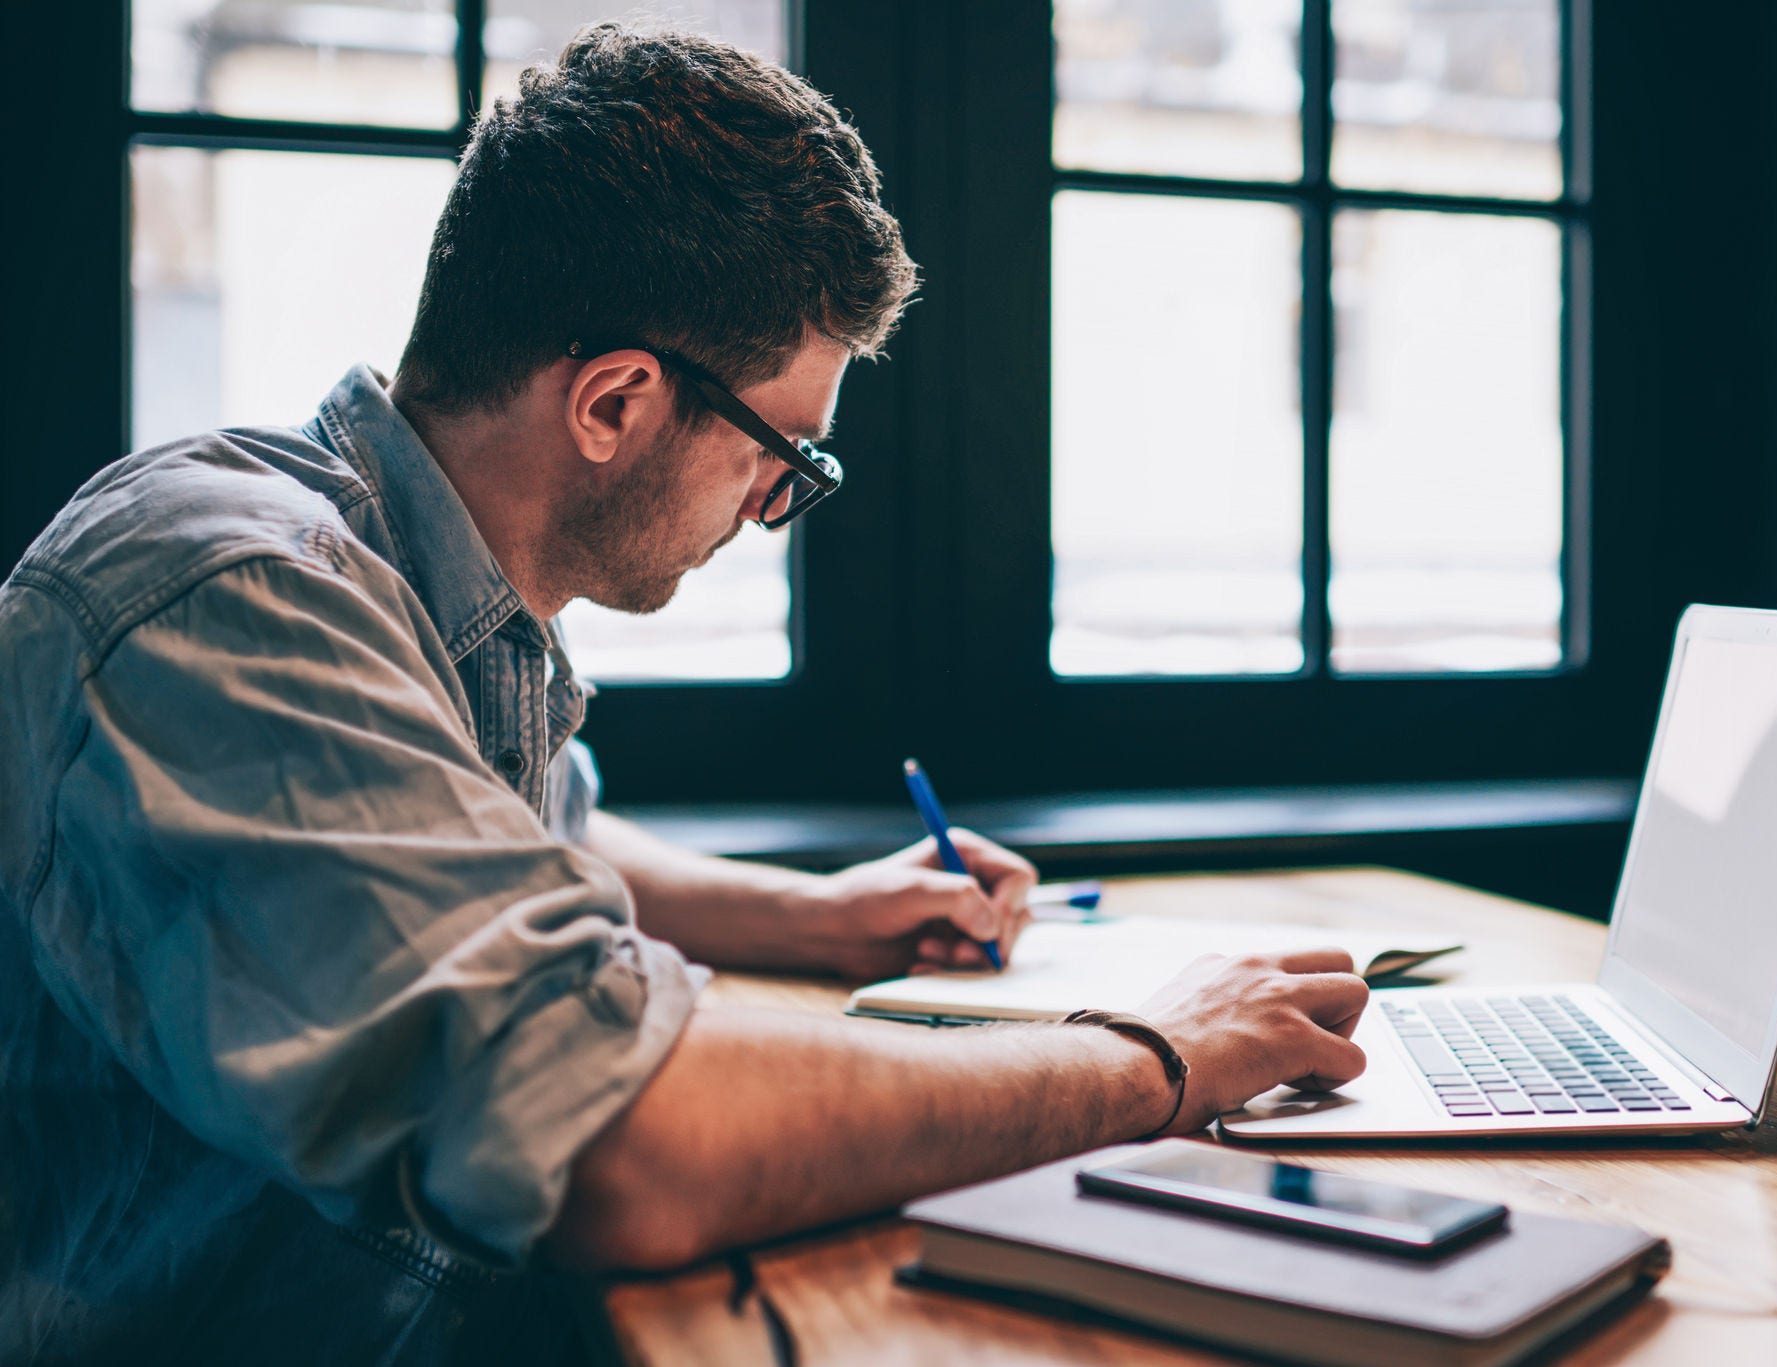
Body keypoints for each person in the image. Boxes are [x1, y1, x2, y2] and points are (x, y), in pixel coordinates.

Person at [0, 23, 1370, 1365]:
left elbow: (507, 841)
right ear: (612, 404)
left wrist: (818, 917)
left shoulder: (411, 584)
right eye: (789, 454)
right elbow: (623, 1146)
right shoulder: (222, 596)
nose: (782, 503)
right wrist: (1156, 1054)